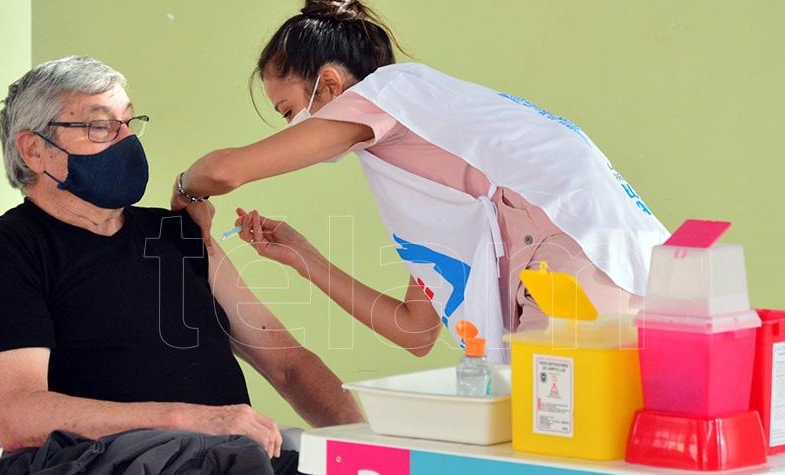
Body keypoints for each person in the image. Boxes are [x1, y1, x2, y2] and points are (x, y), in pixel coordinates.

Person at [0, 54, 367, 475]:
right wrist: (190, 421)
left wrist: (371, 447)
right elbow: (20, 416)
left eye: (129, 122)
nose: (127, 141)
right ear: (35, 149)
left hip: (221, 466)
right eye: (102, 127)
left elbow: (286, 362)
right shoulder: (5, 252)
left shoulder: (176, 233)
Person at [174, 0, 670, 363]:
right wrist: (302, 256)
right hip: (620, 276)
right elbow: (415, 331)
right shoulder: (429, 153)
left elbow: (227, 170)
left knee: (554, 467)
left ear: (329, 85)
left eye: (288, 111)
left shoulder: (391, 94)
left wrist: (185, 190)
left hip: (582, 272)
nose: (290, 130)